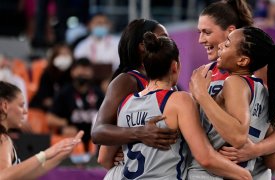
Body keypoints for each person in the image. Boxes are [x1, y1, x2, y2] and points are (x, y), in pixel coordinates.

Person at [115, 31, 251, 179]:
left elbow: (104, 157)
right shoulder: (179, 100)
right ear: (175, 66)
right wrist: (244, 175)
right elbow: (205, 157)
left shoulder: (125, 103)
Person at [189, 0, 275, 178]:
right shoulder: (205, 73)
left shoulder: (261, 70)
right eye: (199, 32)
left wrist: (255, 149)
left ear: (230, 31)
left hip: (251, 173)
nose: (201, 39)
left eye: (207, 32)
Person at [91, 19, 177, 179]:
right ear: (142, 46)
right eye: (163, 37)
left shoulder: (171, 84)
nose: (169, 42)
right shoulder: (127, 80)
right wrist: (140, 134)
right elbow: (98, 134)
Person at [0, 81, 84, 179]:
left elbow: (22, 176)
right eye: (21, 105)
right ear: (5, 106)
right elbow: (3, 176)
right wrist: (45, 154)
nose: (25, 111)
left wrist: (59, 155)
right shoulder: (3, 139)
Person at [47, 58, 104, 152]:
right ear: (72, 72)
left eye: (86, 70)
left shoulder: (98, 93)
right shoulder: (65, 92)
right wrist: (65, 125)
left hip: (94, 137)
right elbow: (49, 118)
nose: (83, 74)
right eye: (80, 70)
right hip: (73, 137)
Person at [29, 43, 74, 112]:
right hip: (44, 110)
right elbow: (45, 100)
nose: (64, 58)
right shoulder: (47, 74)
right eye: (62, 55)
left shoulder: (72, 75)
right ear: (55, 57)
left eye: (67, 55)